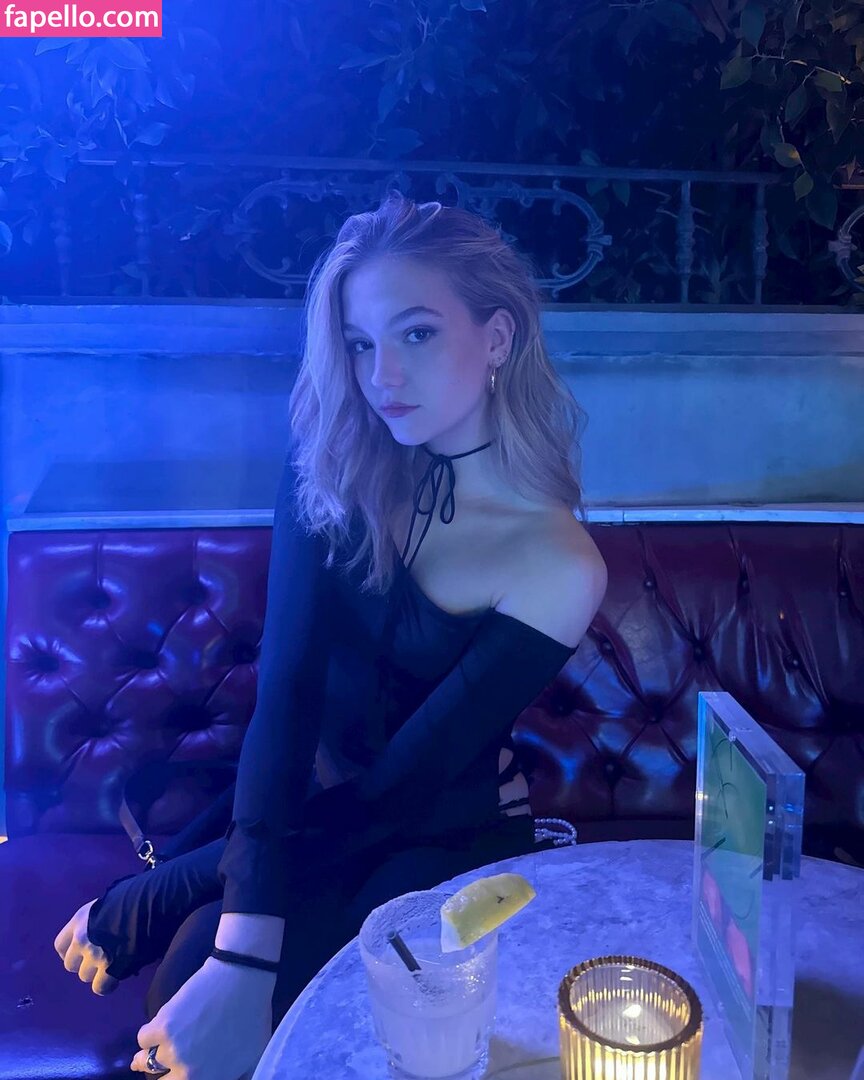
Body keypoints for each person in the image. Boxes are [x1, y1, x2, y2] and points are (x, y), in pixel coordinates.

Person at [53, 190, 608, 1080]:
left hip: (443, 824)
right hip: (301, 806)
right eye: (359, 343)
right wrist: (225, 920)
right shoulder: (332, 462)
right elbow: (287, 692)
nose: (382, 375)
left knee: (298, 998)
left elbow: (401, 788)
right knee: (190, 978)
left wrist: (173, 889)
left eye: (417, 333)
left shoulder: (558, 561)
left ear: (497, 339)